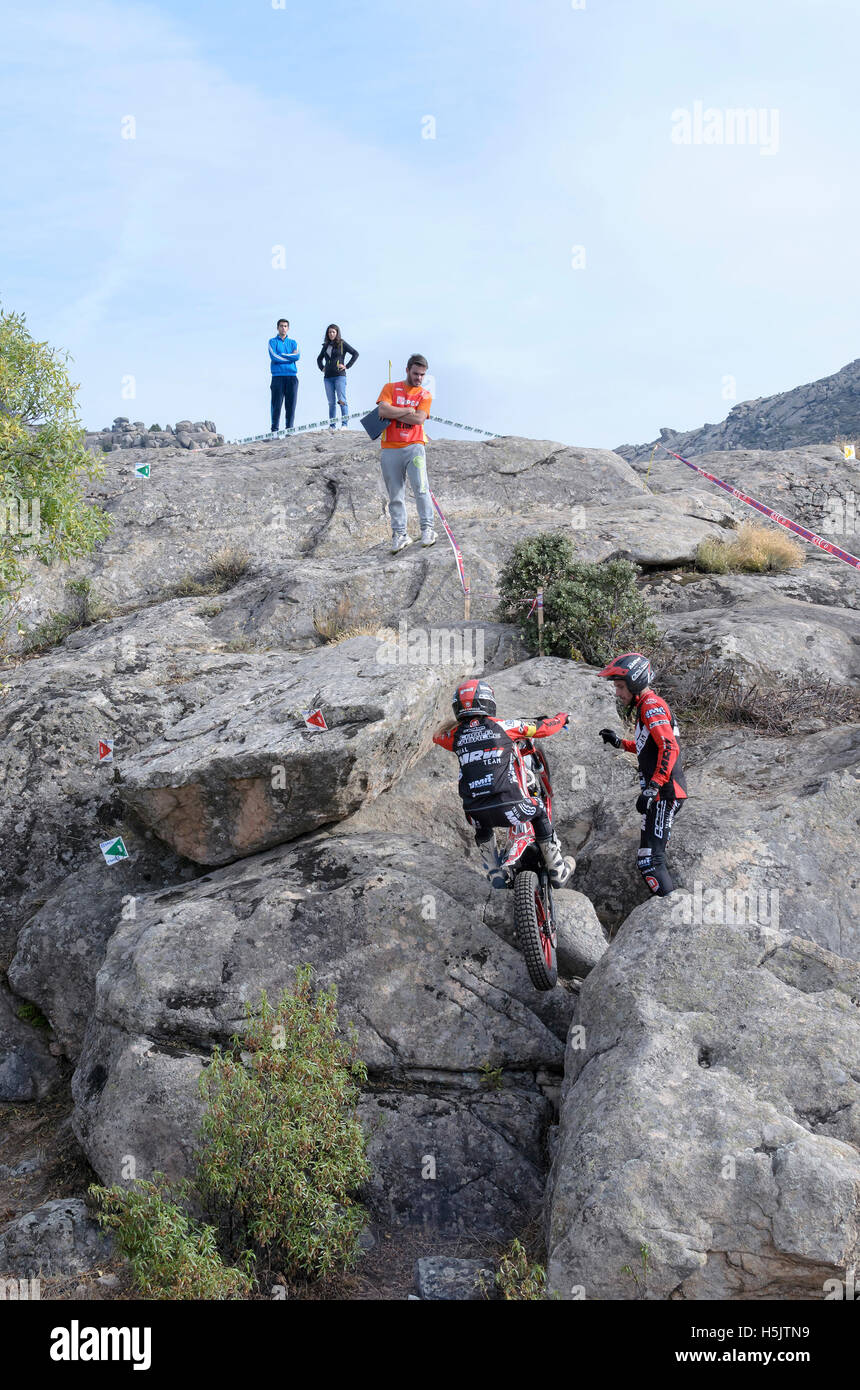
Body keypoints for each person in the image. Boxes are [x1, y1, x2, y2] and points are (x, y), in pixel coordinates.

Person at [433, 678, 576, 890]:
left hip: (476, 814)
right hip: (511, 808)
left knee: (482, 828)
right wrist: (561, 719)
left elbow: (437, 737)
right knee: (537, 810)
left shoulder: (454, 736)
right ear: (488, 701)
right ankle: (557, 869)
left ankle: (494, 874)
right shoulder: (505, 726)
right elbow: (543, 729)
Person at [597, 652, 687, 897]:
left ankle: (670, 911)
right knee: (647, 859)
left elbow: (669, 746)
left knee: (650, 862)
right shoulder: (646, 707)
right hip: (660, 793)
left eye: (620, 686)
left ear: (635, 683)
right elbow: (650, 746)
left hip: (665, 793)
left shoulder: (651, 706)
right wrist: (620, 743)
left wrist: (654, 786)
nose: (618, 693)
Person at [376, 355, 436, 553]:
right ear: (408, 370)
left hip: (415, 446)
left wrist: (398, 411)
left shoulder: (425, 394)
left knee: (421, 489)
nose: (419, 378)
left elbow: (419, 419)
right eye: (416, 373)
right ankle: (400, 534)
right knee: (395, 495)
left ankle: (427, 529)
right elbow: (383, 410)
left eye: (422, 375)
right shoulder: (390, 388)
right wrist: (407, 410)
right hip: (390, 448)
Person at [316, 324, 358, 430]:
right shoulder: (325, 346)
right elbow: (319, 359)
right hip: (327, 378)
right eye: (329, 332)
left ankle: (344, 425)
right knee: (331, 402)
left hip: (339, 376)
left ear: (337, 333)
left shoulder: (342, 344)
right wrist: (322, 368)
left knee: (341, 399)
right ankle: (332, 426)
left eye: (333, 332)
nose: (331, 334)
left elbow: (355, 353)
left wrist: (347, 366)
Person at [269, 319, 300, 432]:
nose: (283, 328)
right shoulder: (272, 342)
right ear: (277, 328)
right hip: (277, 377)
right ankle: (274, 431)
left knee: (291, 405)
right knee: (276, 404)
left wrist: (282, 355)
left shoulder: (293, 342)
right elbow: (274, 357)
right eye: (281, 326)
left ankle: (289, 430)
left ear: (288, 328)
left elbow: (297, 357)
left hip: (292, 376)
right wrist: (289, 357)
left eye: (285, 326)